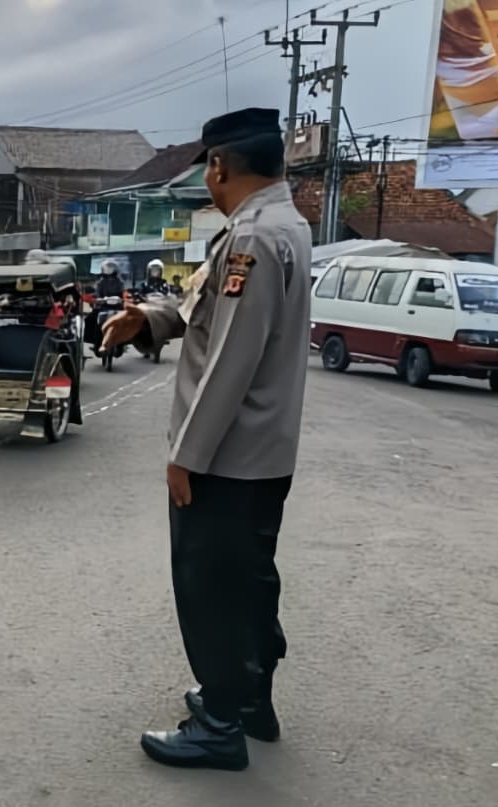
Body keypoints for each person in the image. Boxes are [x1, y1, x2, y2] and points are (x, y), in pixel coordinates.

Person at [101, 108, 311, 772]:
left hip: (227, 457)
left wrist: (185, 456)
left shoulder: (253, 238)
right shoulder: (283, 225)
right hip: (264, 455)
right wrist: (147, 318)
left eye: (208, 171)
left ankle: (218, 722)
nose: (207, 183)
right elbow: (205, 310)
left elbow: (231, 358)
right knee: (249, 581)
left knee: (211, 586)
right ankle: (248, 700)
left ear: (220, 166)